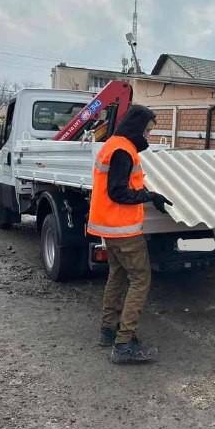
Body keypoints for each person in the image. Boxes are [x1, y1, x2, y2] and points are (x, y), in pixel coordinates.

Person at [88, 105, 173, 364]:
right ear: (137, 126)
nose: (147, 137)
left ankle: (108, 330)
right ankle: (124, 343)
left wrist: (147, 193)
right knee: (140, 279)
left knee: (117, 275)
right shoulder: (123, 152)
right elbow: (118, 192)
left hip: (107, 227)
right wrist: (149, 195)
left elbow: (119, 187)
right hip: (123, 229)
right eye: (147, 131)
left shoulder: (113, 144)